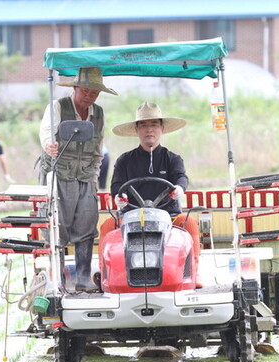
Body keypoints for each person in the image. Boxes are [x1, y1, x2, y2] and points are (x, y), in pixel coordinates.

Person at [39, 66, 118, 291]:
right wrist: (49, 145)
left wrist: (94, 175)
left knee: (87, 222)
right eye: (85, 90)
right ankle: (59, 281)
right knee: (57, 224)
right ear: (75, 87)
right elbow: (45, 132)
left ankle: (83, 279)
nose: (89, 95)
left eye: (94, 92)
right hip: (58, 173)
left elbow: (98, 149)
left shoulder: (99, 113)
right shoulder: (57, 107)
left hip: (85, 176)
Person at [100, 102, 201, 261]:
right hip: (131, 215)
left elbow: (181, 177)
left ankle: (195, 267)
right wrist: (119, 196)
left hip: (169, 215)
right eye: (143, 125)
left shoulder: (172, 159)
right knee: (107, 226)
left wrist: (179, 188)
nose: (149, 129)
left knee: (189, 223)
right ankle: (104, 272)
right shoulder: (124, 160)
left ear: (162, 128)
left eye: (154, 124)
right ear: (136, 129)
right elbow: (116, 185)